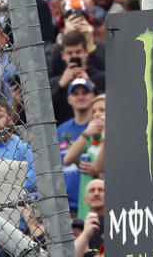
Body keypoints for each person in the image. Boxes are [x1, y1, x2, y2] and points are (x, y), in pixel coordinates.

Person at [57, 78, 99, 216]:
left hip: (95, 200)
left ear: (93, 97)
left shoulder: (100, 126)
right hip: (67, 206)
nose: (80, 97)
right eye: (75, 94)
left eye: (85, 92)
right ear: (69, 99)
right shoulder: (61, 130)